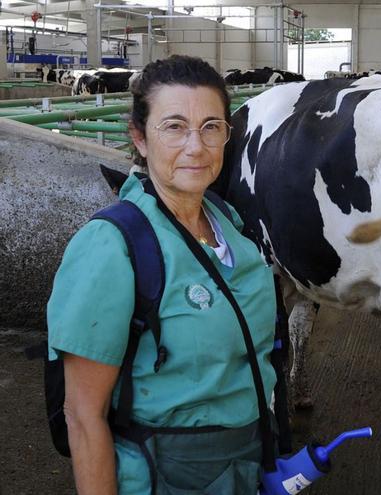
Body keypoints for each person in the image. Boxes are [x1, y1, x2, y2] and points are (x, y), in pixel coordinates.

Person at [47, 55, 277, 494]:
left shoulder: (232, 226)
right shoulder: (113, 245)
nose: (196, 146)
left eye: (211, 126)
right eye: (174, 126)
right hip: (163, 474)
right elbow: (82, 415)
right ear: (140, 138)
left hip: (245, 465)